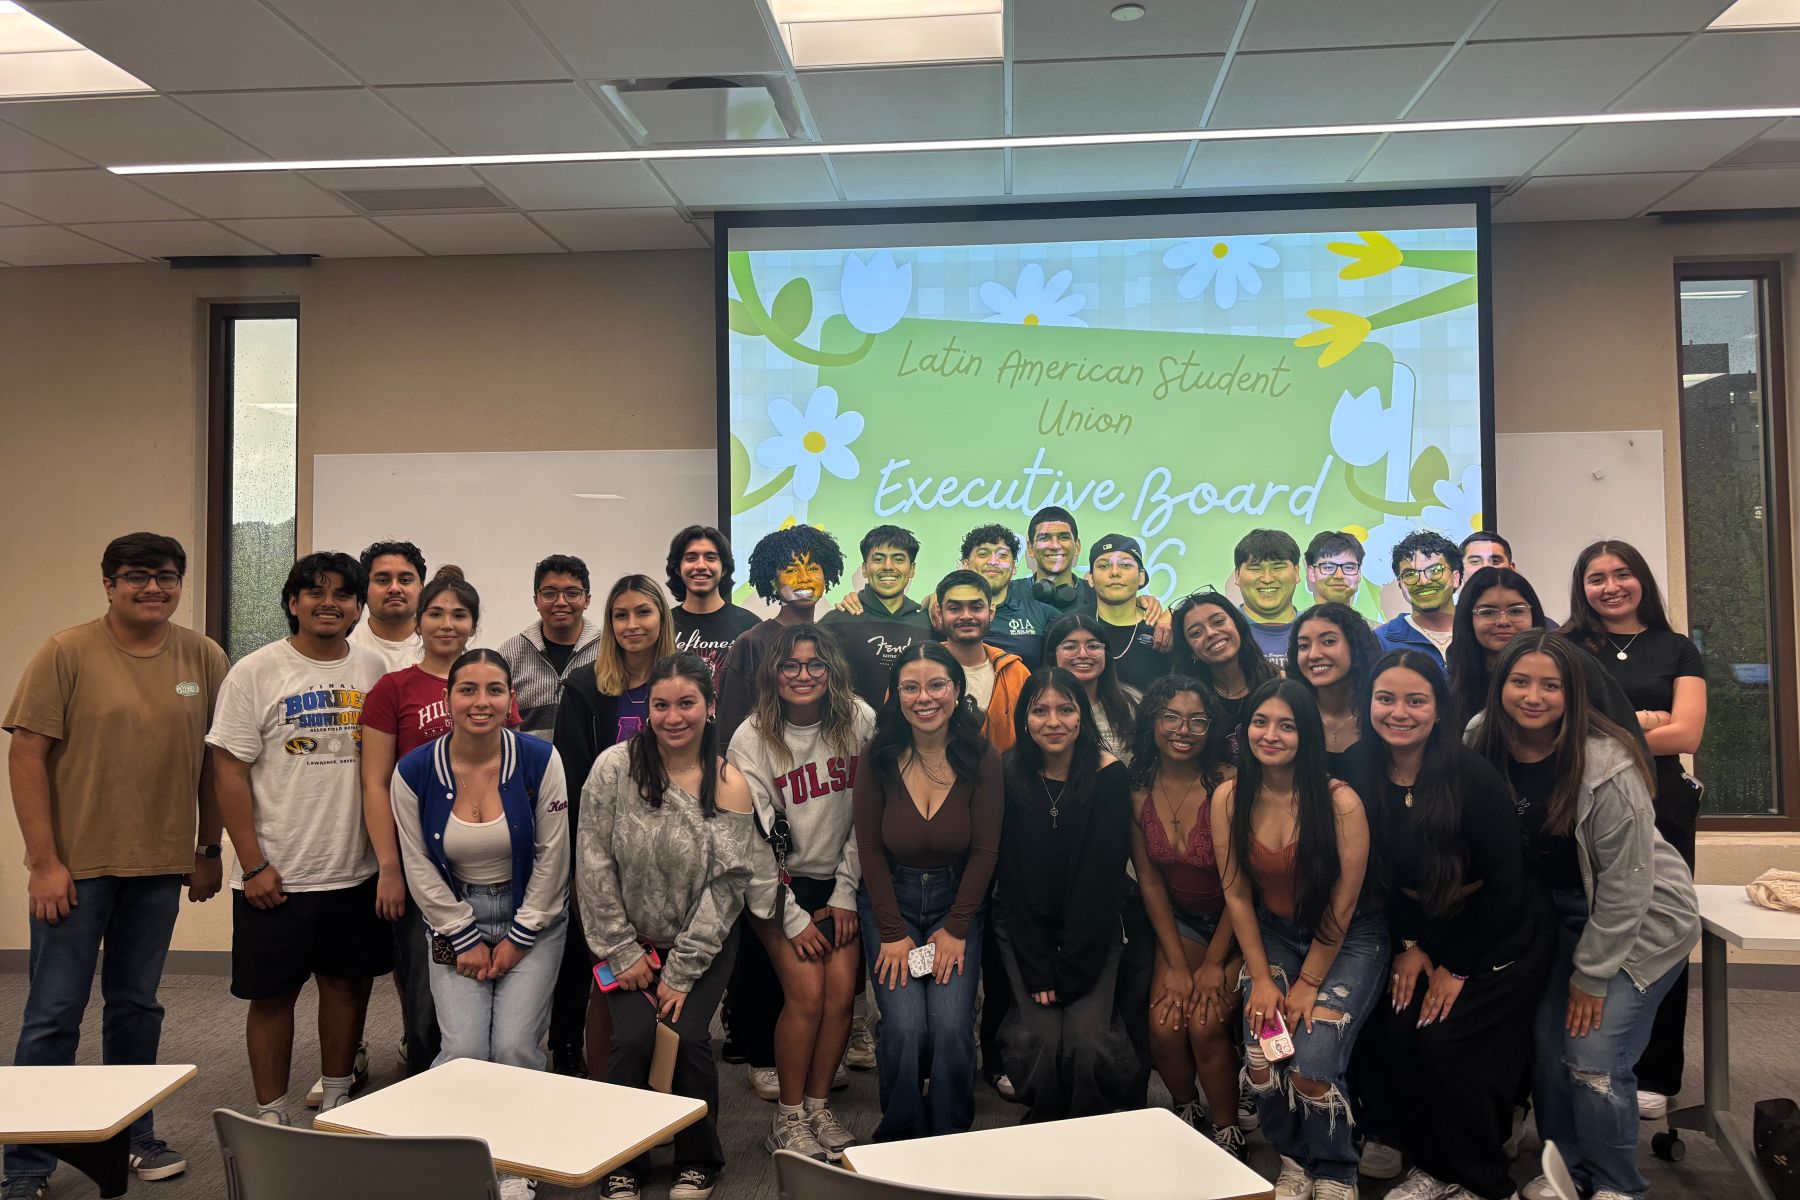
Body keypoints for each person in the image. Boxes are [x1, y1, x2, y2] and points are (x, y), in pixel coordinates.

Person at [4, 533, 230, 1194]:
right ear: (109, 584)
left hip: (159, 868)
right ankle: (27, 1164)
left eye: (165, 577)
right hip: (74, 870)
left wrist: (209, 849)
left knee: (136, 1008)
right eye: (136, 577)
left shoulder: (203, 656)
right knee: (53, 1015)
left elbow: (216, 764)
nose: (152, 588)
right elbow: (26, 756)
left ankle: (133, 1133)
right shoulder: (66, 652)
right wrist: (43, 862)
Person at [1469, 630, 1699, 1200]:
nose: (1533, 696)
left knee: (1593, 1056)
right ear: (1501, 686)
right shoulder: (1480, 738)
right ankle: (1568, 1170)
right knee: (1549, 1052)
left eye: (1551, 685)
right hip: (1551, 918)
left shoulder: (1606, 761)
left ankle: (1618, 1184)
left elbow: (1626, 885)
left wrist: (1592, 975)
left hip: (1640, 921)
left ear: (1573, 693)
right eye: (1520, 681)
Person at [206, 552, 392, 1126]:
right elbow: (228, 771)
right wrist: (253, 863)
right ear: (292, 602)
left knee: (346, 986)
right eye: (315, 592)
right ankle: (270, 1112)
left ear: (359, 607)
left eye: (342, 594)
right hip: (276, 873)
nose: (328, 602)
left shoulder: (374, 671)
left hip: (354, 869)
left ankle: (336, 1094)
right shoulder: (255, 671)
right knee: (272, 997)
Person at [1363, 649, 1552, 1200]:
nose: (1399, 712)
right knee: (1400, 1030)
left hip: (1501, 930)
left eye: (1415, 700)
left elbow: (1507, 887)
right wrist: (1412, 944)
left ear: (1439, 709)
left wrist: (1457, 966)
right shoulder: (1360, 767)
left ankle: (1482, 1181)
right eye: (1386, 699)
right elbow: (1375, 877)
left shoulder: (1472, 777)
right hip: (1424, 927)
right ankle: (1434, 1165)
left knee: (1448, 1043)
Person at [389, 649, 569, 1200]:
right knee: (464, 1049)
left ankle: (517, 1162)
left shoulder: (541, 759)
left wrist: (518, 939)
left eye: (494, 690)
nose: (481, 702)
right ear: (447, 700)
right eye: (467, 689)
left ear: (511, 700)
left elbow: (553, 856)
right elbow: (417, 864)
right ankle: (461, 1163)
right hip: (452, 917)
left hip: (531, 917)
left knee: (515, 1046)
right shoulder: (414, 769)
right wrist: (462, 937)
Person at [577, 653, 756, 1200]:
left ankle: (698, 1156)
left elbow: (727, 886)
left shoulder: (728, 782)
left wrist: (680, 973)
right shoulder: (613, 767)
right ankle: (623, 1158)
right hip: (624, 942)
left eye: (686, 704)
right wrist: (621, 950)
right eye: (661, 705)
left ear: (710, 707)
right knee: (631, 1042)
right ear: (646, 708)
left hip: (700, 943)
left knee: (685, 1037)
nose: (673, 716)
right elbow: (592, 860)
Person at [1213, 679, 1384, 1200]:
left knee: (1311, 1064)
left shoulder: (1340, 802)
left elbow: (1344, 904)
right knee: (1262, 1056)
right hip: (1274, 935)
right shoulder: (1229, 797)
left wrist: (1308, 982)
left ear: (1306, 735)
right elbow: (1238, 896)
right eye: (1261, 722)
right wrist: (1260, 978)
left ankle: (1336, 1171)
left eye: (1286, 725)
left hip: (1348, 938)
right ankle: (1294, 1160)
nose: (1271, 734)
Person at [1564, 541, 1708, 1121]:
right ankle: (1590, 1049)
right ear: (1583, 588)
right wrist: (1643, 722)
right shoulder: (1571, 646)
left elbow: (1688, 735)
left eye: (1622, 574)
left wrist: (1609, 729)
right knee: (1593, 922)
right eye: (1596, 578)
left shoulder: (1676, 648)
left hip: (1664, 804)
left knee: (1661, 932)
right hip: (1588, 802)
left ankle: (1657, 1072)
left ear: (1641, 579)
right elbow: (1558, 724)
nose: (1611, 586)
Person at [362, 567, 522, 1079]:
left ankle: (484, 1074)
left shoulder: (490, 684)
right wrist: (390, 865)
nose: (446, 623)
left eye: (459, 614)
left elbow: (513, 774)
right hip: (419, 864)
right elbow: (374, 782)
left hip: (485, 862)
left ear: (473, 624)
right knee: (424, 985)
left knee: (492, 981)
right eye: (435, 613)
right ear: (417, 621)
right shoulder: (393, 688)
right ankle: (427, 1080)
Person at [728, 626, 875, 1162]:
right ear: (774, 673)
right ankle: (787, 1119)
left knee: (840, 996)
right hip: (776, 884)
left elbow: (870, 815)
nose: (804, 675)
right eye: (791, 665)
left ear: (832, 672)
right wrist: (790, 916)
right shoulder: (751, 736)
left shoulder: (859, 720)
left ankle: (817, 1106)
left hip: (840, 879)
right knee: (808, 994)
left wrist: (843, 892)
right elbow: (752, 838)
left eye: (816, 666)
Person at [854, 643, 1003, 1141]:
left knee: (951, 1027)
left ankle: (949, 1133)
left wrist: (957, 928)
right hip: (889, 903)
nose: (924, 698)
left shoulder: (981, 755)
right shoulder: (878, 754)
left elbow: (985, 850)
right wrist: (893, 933)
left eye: (936, 685)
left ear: (957, 692)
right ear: (894, 695)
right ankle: (900, 1133)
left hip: (956, 902)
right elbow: (870, 848)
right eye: (910, 687)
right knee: (904, 1028)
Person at [549, 575, 677, 1079]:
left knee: (662, 957)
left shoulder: (681, 682)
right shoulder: (584, 687)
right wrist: (585, 864)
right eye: (620, 615)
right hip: (604, 847)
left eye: (642, 613)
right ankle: (571, 1048)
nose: (631, 625)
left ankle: (657, 1068)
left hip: (669, 848)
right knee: (593, 956)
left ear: (661, 619)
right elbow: (573, 776)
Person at [994, 668, 1136, 1123]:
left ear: (1081, 718)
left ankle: (1089, 1128)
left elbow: (1101, 879)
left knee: (1088, 1043)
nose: (1052, 721)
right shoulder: (1007, 771)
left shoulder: (1110, 776)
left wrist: (1073, 966)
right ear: (1024, 719)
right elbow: (1012, 876)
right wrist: (1038, 967)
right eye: (1039, 711)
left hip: (1091, 931)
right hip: (1023, 926)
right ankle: (1045, 1125)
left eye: (1065, 710)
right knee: (1040, 1041)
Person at [1127, 675, 1248, 1160]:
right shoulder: (1137, 787)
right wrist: (1177, 965)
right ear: (1153, 722)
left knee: (1204, 1021)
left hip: (1241, 926)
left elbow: (1242, 889)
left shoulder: (1229, 784)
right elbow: (1152, 882)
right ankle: (1185, 1111)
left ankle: (1228, 1131)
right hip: (1182, 922)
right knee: (1164, 1024)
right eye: (1171, 717)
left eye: (1197, 720)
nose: (1184, 729)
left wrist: (1213, 966)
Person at [1447, 567, 1643, 742]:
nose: (1503, 621)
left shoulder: (1574, 663)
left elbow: (1628, 736)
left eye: (1516, 611)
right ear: (1467, 617)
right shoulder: (1457, 680)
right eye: (1488, 612)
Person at [717, 525, 845, 743]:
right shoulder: (752, 643)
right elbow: (729, 729)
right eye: (792, 570)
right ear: (774, 582)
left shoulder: (832, 638)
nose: (804, 578)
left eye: (813, 568)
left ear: (827, 576)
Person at [818, 524, 932, 710]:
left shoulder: (929, 623)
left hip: (916, 736)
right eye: (878, 559)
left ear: (912, 569)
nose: (888, 567)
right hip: (849, 735)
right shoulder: (835, 622)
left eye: (898, 559)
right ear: (864, 568)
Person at [500, 554, 602, 737]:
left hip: (592, 765)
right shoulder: (509, 655)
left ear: (587, 599)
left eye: (572, 593)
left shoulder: (607, 652)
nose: (561, 602)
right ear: (536, 600)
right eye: (549, 593)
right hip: (530, 764)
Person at [1285, 602, 1381, 783]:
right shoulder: (1289, 713)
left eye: (1328, 642)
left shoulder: (1381, 712)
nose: (1313, 655)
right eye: (1304, 646)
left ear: (1355, 645)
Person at [1169, 590, 1274, 750]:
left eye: (1218, 621)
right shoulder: (1188, 702)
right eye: (1196, 633)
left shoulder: (1277, 683)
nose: (1211, 633)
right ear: (1190, 652)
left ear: (1237, 624)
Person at [957, 522, 1060, 669]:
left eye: (1002, 555)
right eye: (983, 554)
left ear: (1013, 568)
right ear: (966, 565)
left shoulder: (1040, 613)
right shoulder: (946, 614)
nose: (993, 562)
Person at [667, 526, 760, 687]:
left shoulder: (750, 625)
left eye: (710, 558)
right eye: (691, 558)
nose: (701, 566)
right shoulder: (663, 624)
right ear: (677, 568)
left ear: (724, 568)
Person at [1086, 534, 1172, 691]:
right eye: (1104, 566)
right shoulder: (1074, 626)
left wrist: (1174, 611)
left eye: (1125, 565)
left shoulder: (1162, 630)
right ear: (1090, 578)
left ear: (1141, 577)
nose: (1114, 572)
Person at [1046, 613, 1139, 757]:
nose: (1083, 654)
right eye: (1070, 647)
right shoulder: (1038, 706)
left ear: (1106, 653)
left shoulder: (1132, 701)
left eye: (1093, 646)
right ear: (1053, 654)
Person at [1374, 531, 1461, 671]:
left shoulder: (1480, 631)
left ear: (1456, 578)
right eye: (1410, 574)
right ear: (1400, 584)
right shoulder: (1381, 641)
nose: (1423, 581)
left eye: (1435, 570)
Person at [350, 540, 426, 672]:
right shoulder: (346, 647)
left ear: (421, 587)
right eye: (382, 580)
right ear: (364, 587)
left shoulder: (441, 648)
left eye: (405, 580)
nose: (395, 588)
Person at [1234, 529, 1304, 671]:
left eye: (1278, 567)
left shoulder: (1318, 628)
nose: (1267, 579)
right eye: (1255, 568)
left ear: (1296, 572)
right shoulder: (1224, 632)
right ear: (1237, 575)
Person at [1304, 530, 1380, 625]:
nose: (1339, 576)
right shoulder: (1293, 631)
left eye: (1348, 567)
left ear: (1359, 573)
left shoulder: (1378, 634)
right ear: (1311, 573)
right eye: (1328, 567)